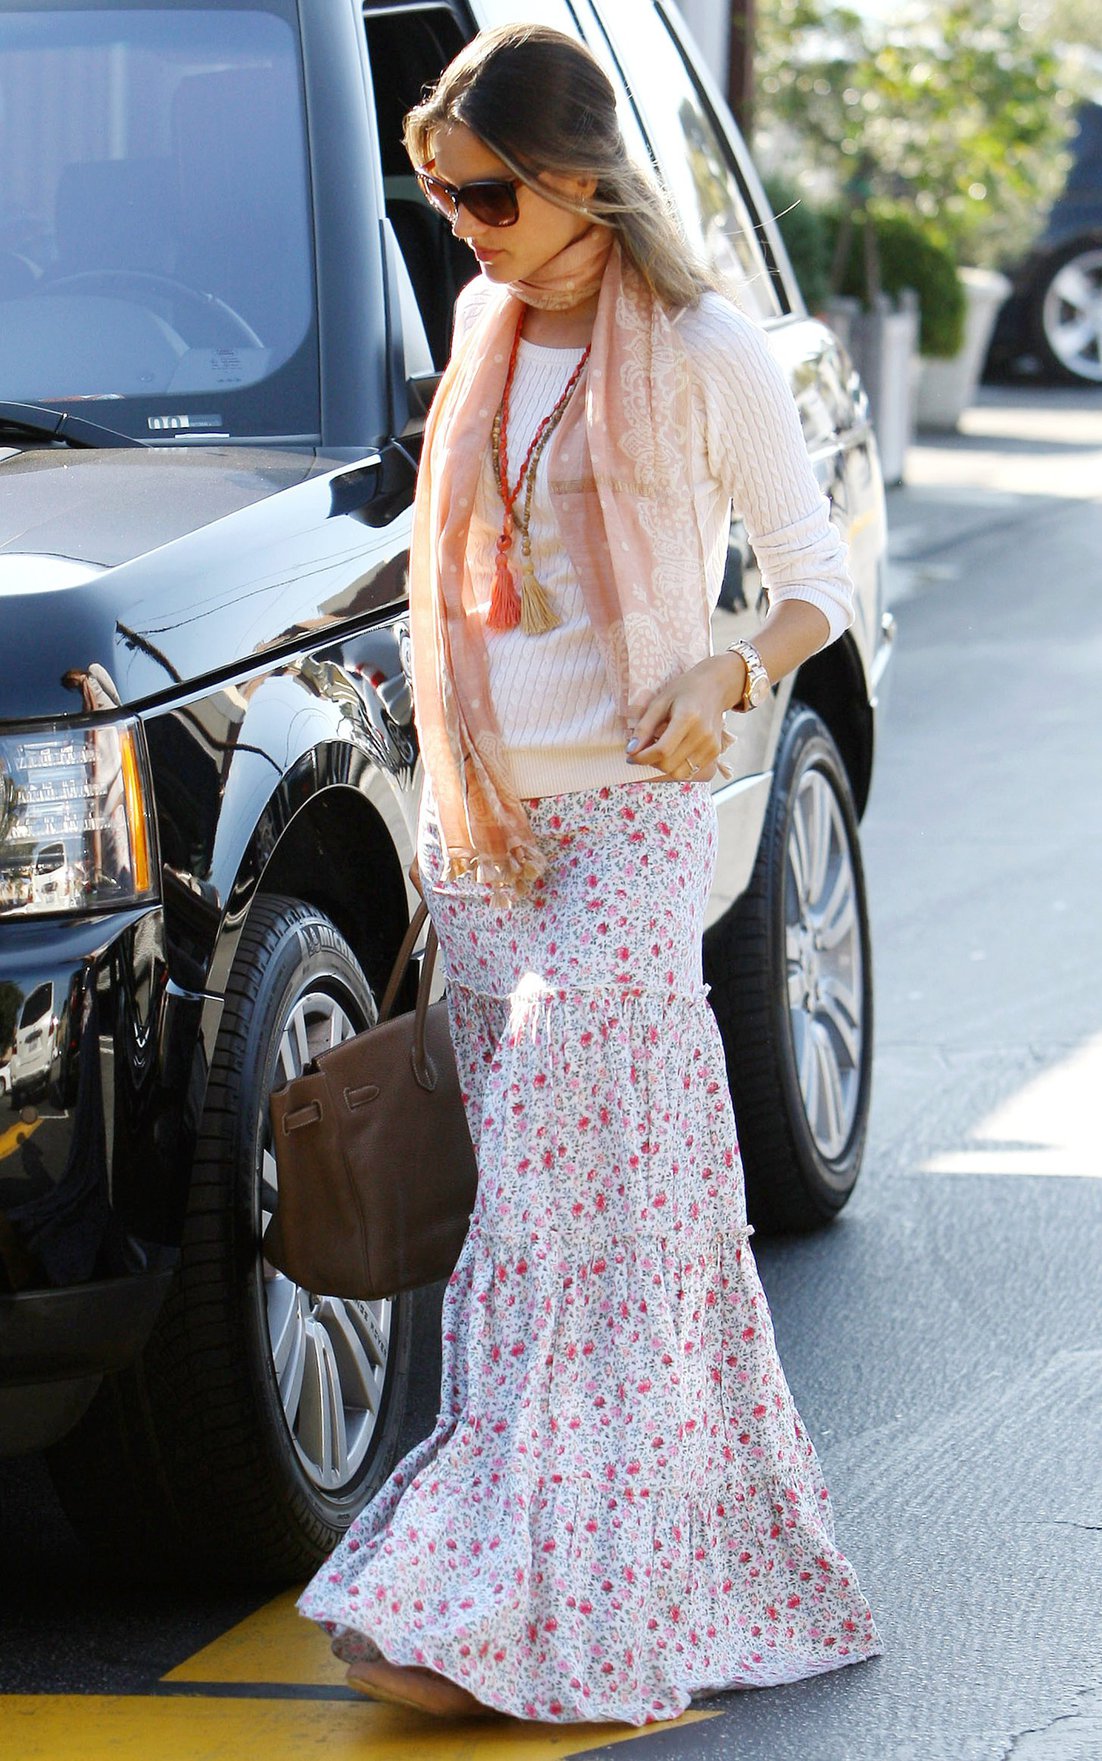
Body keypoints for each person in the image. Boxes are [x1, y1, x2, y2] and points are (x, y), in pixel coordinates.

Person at [298, 23, 882, 1726]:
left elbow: (806, 577)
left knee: (561, 1224)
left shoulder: (701, 346)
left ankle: (521, 1602)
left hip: (630, 824)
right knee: (617, 1227)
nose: (456, 223)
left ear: (575, 177)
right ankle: (664, 1560)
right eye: (435, 191)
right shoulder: (486, 322)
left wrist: (724, 669)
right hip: (490, 831)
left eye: (481, 192)